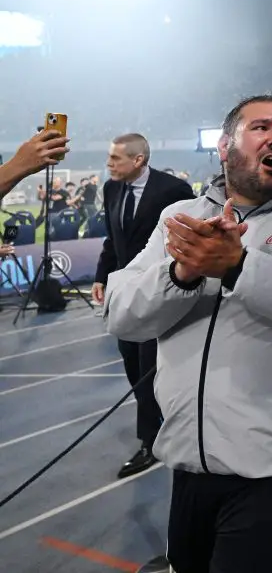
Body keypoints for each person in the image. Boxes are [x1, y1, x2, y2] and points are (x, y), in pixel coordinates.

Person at [105, 95, 272, 573]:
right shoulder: (178, 218)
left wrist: (239, 265)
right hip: (188, 461)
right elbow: (122, 314)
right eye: (261, 127)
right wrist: (181, 274)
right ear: (225, 146)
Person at [92, 133, 193, 479]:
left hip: (162, 296)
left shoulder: (173, 191)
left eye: (115, 159)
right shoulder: (111, 190)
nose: (109, 165)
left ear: (138, 160)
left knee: (155, 368)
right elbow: (113, 239)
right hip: (127, 296)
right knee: (135, 368)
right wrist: (102, 276)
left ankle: (152, 440)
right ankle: (157, 427)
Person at [0, 128, 69, 201]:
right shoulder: (50, 191)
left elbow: (55, 198)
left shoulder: (64, 192)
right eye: (55, 181)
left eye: (57, 181)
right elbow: (41, 198)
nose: (56, 183)